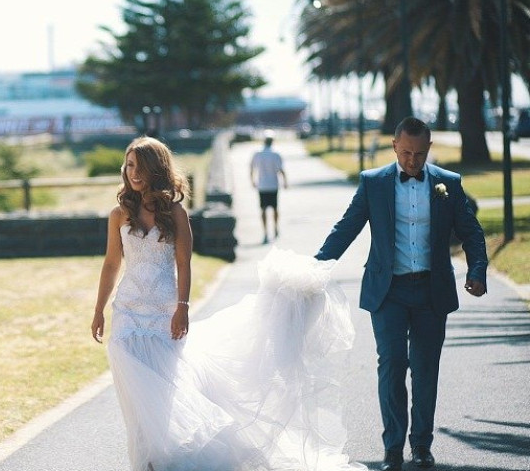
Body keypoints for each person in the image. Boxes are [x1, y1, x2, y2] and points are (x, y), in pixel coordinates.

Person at [91, 136, 367, 471]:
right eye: (129, 165)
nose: (133, 172)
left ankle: (162, 456)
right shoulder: (119, 214)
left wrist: (183, 307)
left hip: (164, 313)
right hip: (127, 314)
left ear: (156, 169)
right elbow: (111, 264)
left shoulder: (175, 213)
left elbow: (183, 264)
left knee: (163, 389)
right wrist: (99, 310)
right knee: (135, 393)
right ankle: (146, 459)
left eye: (140, 166)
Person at [315, 117, 488, 471]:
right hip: (388, 291)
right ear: (395, 146)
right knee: (392, 364)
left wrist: (476, 271)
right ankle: (393, 448)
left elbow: (471, 231)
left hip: (431, 292)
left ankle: (421, 446)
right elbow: (346, 228)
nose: (412, 160)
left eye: (419, 154)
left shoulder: (448, 184)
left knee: (425, 369)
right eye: (406, 153)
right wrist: (316, 267)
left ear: (429, 149)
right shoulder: (373, 182)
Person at [250, 131, 288, 244]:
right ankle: (275, 227)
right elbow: (281, 169)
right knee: (275, 208)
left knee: (263, 209)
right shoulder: (276, 154)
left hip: (262, 185)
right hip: (273, 185)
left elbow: (252, 168)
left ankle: (265, 232)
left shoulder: (257, 154)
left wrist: (252, 180)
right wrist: (285, 181)